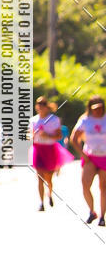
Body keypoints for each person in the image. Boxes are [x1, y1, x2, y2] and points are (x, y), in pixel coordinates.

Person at [28, 97, 74, 211]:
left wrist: (47, 135)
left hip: (49, 149)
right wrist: (32, 136)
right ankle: (41, 203)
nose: (40, 106)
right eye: (38, 104)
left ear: (47, 106)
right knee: (39, 177)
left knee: (48, 177)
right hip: (38, 149)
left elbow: (59, 136)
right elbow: (29, 135)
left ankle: (49, 193)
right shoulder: (33, 120)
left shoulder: (54, 120)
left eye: (43, 104)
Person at [70, 95, 106, 225]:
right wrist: (82, 154)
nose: (98, 110)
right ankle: (92, 211)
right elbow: (74, 138)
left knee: (103, 187)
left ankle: (102, 216)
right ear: (90, 108)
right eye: (95, 107)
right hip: (90, 156)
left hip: (104, 156)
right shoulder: (85, 120)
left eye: (100, 107)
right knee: (85, 184)